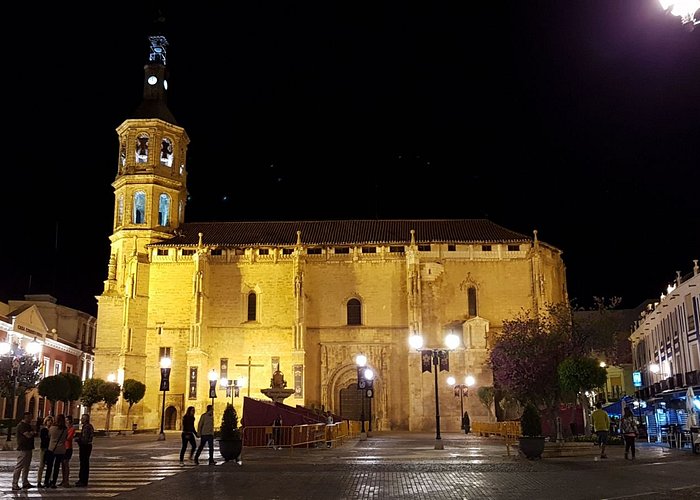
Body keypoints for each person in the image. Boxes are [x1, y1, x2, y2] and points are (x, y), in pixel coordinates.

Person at [12, 411, 36, 491]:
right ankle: (15, 483)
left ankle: (25, 482)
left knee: (26, 466)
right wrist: (32, 433)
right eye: (30, 417)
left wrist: (31, 432)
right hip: (23, 448)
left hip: (28, 448)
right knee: (19, 466)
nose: (31, 418)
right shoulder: (22, 426)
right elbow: (28, 435)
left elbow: (31, 433)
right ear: (26, 417)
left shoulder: (28, 425)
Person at [44, 414, 68, 488]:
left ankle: (46, 481)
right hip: (61, 449)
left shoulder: (52, 428)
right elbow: (65, 438)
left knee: (50, 466)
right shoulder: (65, 429)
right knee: (57, 467)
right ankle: (53, 482)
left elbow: (49, 436)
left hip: (52, 448)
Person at [75, 413, 94, 487]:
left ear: (85, 419)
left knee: (84, 464)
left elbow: (85, 439)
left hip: (85, 447)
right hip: (88, 446)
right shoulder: (89, 426)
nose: (81, 420)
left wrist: (78, 440)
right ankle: (83, 480)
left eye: (82, 418)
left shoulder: (86, 427)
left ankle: (83, 480)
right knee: (85, 463)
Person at [37, 415, 53, 487]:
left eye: (51, 421)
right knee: (41, 465)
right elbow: (44, 439)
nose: (49, 422)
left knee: (50, 466)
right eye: (48, 421)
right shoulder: (44, 430)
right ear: (45, 422)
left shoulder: (53, 430)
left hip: (51, 449)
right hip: (44, 448)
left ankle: (48, 480)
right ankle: (39, 481)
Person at [60, 415, 75, 487]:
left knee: (66, 464)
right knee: (63, 465)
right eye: (65, 420)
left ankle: (67, 481)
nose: (66, 422)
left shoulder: (72, 429)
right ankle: (63, 480)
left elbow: (68, 438)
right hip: (63, 448)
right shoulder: (64, 429)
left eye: (67, 420)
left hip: (68, 448)